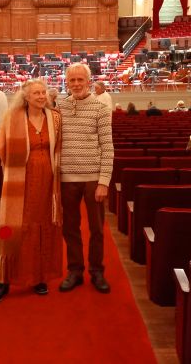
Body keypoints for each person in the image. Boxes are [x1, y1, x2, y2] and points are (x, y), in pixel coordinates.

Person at [0, 79, 62, 303]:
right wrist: (14, 166)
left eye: (43, 93)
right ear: (26, 97)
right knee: (13, 227)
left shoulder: (55, 117)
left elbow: (60, 146)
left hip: (47, 182)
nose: (41, 96)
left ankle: (39, 277)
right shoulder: (13, 117)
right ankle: (4, 280)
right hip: (21, 181)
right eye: (36, 93)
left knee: (43, 225)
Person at [58, 64, 114, 294]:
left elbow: (108, 147)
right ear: (67, 82)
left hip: (93, 178)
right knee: (70, 227)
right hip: (66, 178)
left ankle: (97, 271)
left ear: (89, 81)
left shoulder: (101, 108)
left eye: (80, 79)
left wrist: (104, 181)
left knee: (97, 229)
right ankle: (75, 270)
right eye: (72, 80)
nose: (76, 84)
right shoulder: (59, 107)